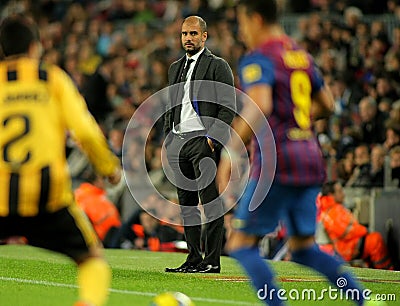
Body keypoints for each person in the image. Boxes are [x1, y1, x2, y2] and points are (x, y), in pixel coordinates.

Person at [218, 1, 367, 305]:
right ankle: (365, 300)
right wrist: (295, 121)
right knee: (303, 249)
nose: (241, 32)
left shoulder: (259, 58)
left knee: (241, 245)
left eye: (242, 23)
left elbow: (260, 103)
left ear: (256, 18)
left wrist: (231, 150)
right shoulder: (300, 55)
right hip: (310, 158)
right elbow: (326, 104)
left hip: (278, 162)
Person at [0, 16, 121, 306]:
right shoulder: (51, 78)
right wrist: (109, 169)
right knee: (92, 260)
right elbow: (85, 131)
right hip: (48, 198)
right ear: (35, 48)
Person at [163, 15, 235, 273]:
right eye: (184, 34)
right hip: (179, 142)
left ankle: (212, 260)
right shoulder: (174, 68)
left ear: (204, 36)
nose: (188, 38)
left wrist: (213, 139)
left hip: (203, 142)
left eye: (193, 34)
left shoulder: (218, 66)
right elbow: (171, 105)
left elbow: (228, 106)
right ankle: (193, 258)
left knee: (210, 203)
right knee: (187, 206)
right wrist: (168, 138)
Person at [316, 181, 394, 270]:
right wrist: (364, 230)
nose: (343, 194)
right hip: (346, 249)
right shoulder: (332, 212)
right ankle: (385, 270)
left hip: (347, 245)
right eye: (340, 191)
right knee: (375, 241)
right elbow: (347, 231)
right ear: (331, 195)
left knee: (372, 239)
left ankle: (375, 270)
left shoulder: (331, 209)